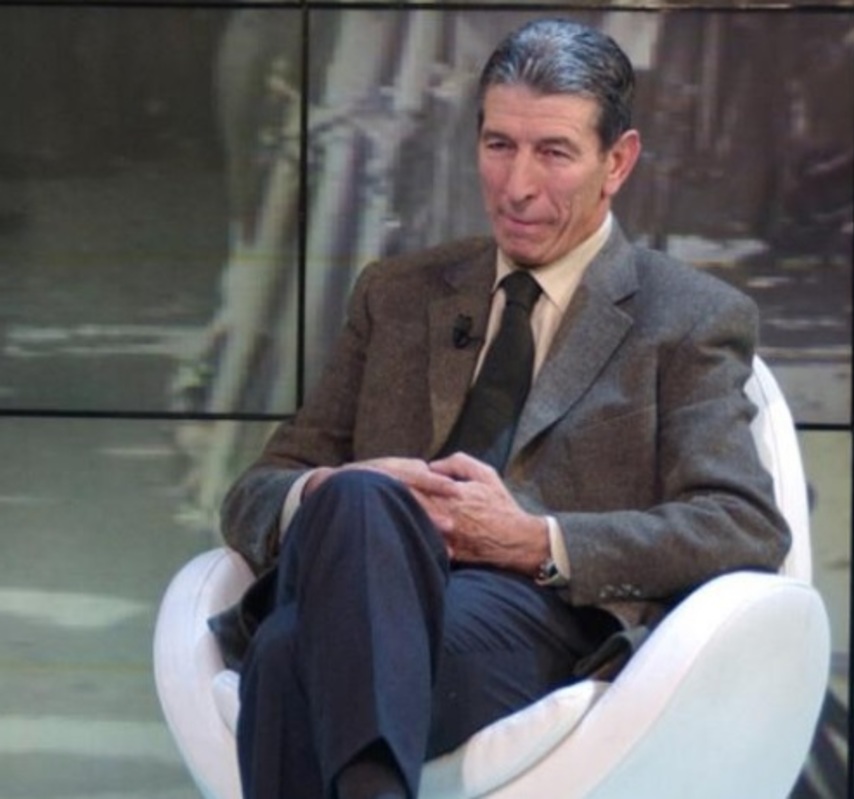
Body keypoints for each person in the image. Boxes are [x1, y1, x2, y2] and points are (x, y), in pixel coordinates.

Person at [219, 18, 791, 799]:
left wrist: (536, 540)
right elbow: (256, 490)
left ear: (618, 161)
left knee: (288, 651)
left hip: (530, 618)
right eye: (498, 145)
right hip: (363, 585)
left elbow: (741, 524)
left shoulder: (687, 316)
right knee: (357, 498)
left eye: (553, 153)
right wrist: (326, 490)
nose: (517, 186)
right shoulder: (396, 294)